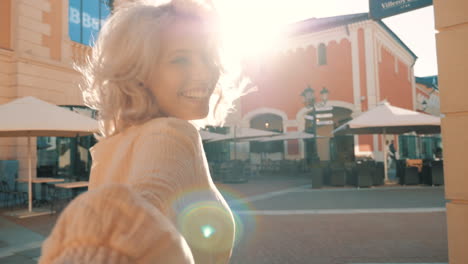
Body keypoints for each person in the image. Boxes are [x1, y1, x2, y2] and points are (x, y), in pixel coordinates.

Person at [39, 0, 243, 263]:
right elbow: (144, 204)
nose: (204, 72)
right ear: (139, 73)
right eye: (180, 58)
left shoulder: (119, 142)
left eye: (208, 57)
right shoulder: (171, 133)